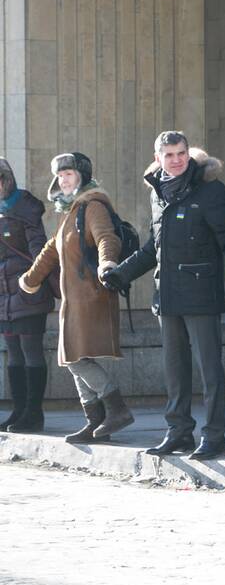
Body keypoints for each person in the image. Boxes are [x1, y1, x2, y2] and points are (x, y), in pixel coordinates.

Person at [104, 132, 225, 461]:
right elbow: (153, 247)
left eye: (181, 153)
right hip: (167, 295)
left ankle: (214, 435)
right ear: (158, 159)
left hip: (201, 292)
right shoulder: (158, 193)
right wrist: (121, 273)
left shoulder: (211, 190)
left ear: (188, 154)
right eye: (169, 155)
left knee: (210, 369)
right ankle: (178, 431)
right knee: (175, 369)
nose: (177, 160)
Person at [19, 153, 133, 442]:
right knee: (71, 356)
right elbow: (50, 249)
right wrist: (30, 279)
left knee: (75, 359)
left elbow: (107, 237)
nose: (63, 179)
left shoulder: (92, 206)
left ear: (82, 175)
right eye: (60, 175)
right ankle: (95, 421)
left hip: (91, 294)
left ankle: (116, 409)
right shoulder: (70, 211)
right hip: (73, 299)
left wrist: (108, 263)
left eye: (69, 174)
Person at [0, 158, 54, 432]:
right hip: (4, 296)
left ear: (5, 180)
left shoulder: (25, 208)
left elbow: (40, 252)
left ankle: (34, 414)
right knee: (13, 354)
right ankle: (19, 410)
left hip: (28, 292)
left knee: (31, 351)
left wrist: (30, 281)